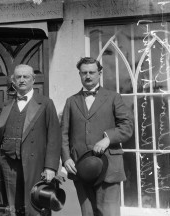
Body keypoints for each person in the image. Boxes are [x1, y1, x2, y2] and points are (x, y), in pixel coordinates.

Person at [61, 57, 134, 216]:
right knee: (87, 213)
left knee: (108, 213)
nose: (88, 76)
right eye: (84, 73)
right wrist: (66, 158)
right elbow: (63, 134)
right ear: (79, 74)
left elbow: (127, 127)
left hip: (109, 168)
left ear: (100, 73)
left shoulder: (113, 97)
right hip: (81, 168)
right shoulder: (71, 101)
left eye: (92, 72)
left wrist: (108, 138)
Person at [0, 64, 62, 216]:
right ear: (13, 81)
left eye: (26, 77)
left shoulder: (45, 103)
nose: (22, 80)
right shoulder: (7, 104)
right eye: (18, 77)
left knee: (35, 207)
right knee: (13, 208)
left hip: (35, 165)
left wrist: (51, 167)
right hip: (9, 165)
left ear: (33, 80)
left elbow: (54, 136)